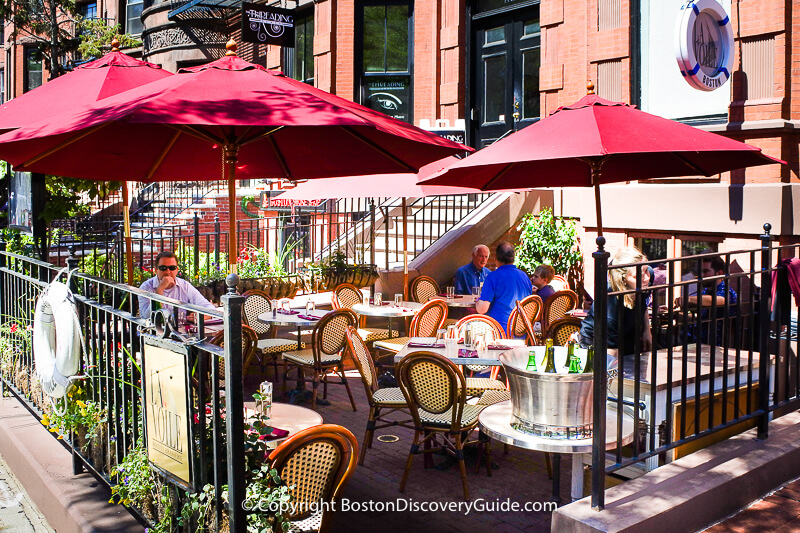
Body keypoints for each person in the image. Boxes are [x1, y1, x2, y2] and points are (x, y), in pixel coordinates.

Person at [580, 246, 652, 357]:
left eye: (646, 270)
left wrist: (647, 330)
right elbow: (611, 355)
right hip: (596, 343)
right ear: (623, 279)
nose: (647, 278)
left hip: (627, 335)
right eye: (639, 276)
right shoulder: (610, 306)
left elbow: (644, 303)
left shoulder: (645, 279)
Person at [675, 254, 737, 344]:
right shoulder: (706, 291)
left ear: (719, 273)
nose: (701, 275)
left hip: (713, 345)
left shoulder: (727, 291)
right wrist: (675, 315)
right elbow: (700, 318)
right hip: (694, 340)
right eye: (700, 271)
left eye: (706, 271)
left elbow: (717, 300)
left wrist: (688, 299)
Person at [139, 251, 216, 320]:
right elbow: (146, 317)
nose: (168, 272)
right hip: (153, 333)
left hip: (179, 332)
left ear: (177, 270)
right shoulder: (146, 287)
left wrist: (203, 315)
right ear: (156, 270)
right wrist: (160, 289)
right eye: (163, 268)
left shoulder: (184, 286)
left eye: (172, 268)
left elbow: (209, 308)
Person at [476, 242, 533, 333]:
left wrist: (478, 301)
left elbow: (482, 309)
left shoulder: (493, 277)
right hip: (523, 331)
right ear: (513, 258)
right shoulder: (524, 276)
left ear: (496, 258)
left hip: (499, 331)